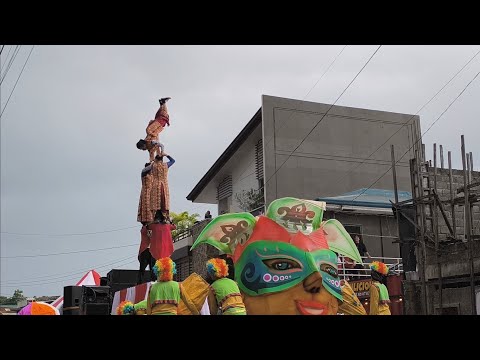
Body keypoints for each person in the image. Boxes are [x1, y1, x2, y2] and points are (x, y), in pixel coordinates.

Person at [138, 97, 171, 162]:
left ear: (143, 145)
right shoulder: (149, 148)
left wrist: (162, 152)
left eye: (142, 148)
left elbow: (159, 144)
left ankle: (163, 102)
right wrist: (154, 161)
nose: (143, 150)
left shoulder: (149, 140)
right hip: (158, 124)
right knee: (163, 114)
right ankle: (162, 103)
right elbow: (152, 155)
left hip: (158, 123)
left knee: (164, 115)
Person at [150, 152, 175, 221]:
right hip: (164, 185)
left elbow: (150, 164)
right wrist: (166, 155)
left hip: (155, 185)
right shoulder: (166, 165)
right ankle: (165, 217)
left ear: (156, 159)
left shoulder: (153, 166)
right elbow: (173, 161)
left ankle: (155, 217)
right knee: (164, 200)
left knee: (155, 201)